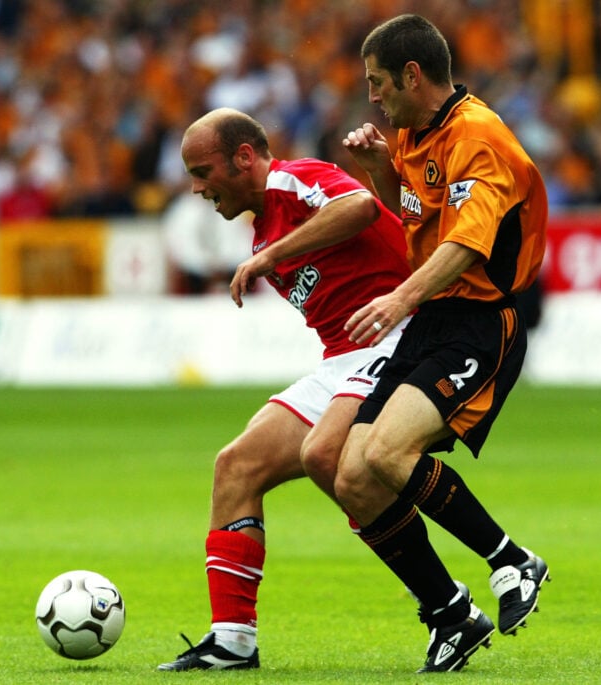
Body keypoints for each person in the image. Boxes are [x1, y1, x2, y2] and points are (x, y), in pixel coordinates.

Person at [157, 108, 412, 671]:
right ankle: (232, 640)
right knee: (236, 465)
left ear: (244, 157)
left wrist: (274, 254)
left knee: (327, 456)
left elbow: (361, 205)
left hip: (397, 335)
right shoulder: (261, 229)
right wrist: (270, 249)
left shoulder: (291, 183)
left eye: (202, 171)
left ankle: (443, 598)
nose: (196, 188)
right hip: (343, 359)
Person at [335, 14, 551, 672]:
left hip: (482, 317)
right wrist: (380, 170)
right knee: (353, 477)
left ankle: (513, 561)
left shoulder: (478, 136)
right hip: (433, 314)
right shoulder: (412, 134)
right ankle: (451, 614)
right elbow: (418, 222)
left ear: (412, 74)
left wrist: (399, 297)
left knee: (388, 451)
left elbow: (467, 243)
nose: (371, 96)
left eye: (377, 82)